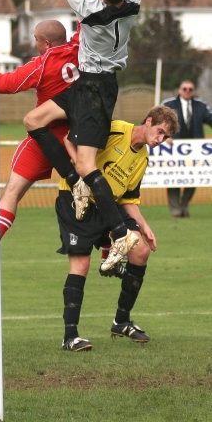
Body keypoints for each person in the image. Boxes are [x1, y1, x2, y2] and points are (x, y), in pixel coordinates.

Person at [24, 0, 141, 266]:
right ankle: (75, 183)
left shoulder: (91, 11)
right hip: (87, 85)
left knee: (88, 164)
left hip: (95, 88)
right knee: (34, 119)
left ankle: (121, 233)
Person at [55, 105, 179, 351]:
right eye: (159, 131)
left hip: (109, 206)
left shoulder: (142, 158)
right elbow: (70, 138)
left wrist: (144, 226)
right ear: (148, 120)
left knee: (140, 251)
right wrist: (76, 175)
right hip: (76, 200)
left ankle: (121, 321)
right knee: (80, 264)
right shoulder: (113, 129)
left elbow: (128, 199)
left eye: (165, 137)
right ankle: (70, 336)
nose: (160, 140)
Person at [0, 20, 80, 285]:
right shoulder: (79, 48)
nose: (34, 43)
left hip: (45, 136)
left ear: (46, 43)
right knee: (97, 190)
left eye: (36, 39)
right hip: (79, 137)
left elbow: (3, 84)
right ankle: (111, 251)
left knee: (11, 194)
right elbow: (87, 24)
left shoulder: (41, 66)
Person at [162, 80, 212, 218]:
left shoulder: (201, 106)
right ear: (179, 90)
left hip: (195, 151)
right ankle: (175, 210)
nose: (187, 91)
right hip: (173, 150)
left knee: (193, 178)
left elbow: (210, 119)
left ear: (194, 91)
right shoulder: (169, 104)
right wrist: (166, 136)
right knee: (173, 178)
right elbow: (157, 121)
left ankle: (184, 205)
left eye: (190, 89)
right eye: (185, 88)